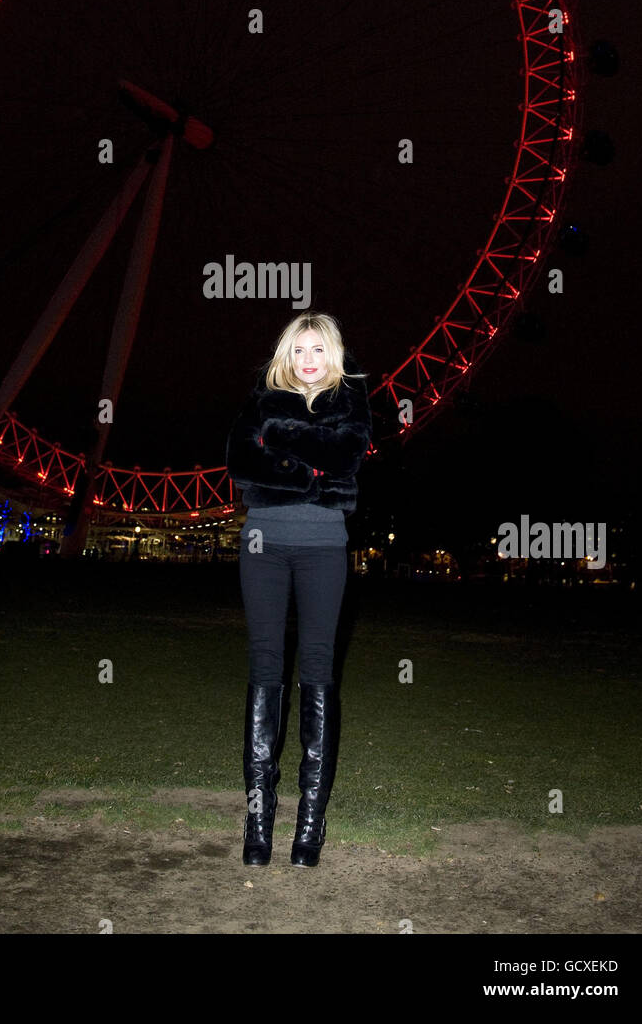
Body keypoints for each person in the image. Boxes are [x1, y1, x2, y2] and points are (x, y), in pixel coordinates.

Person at [225, 312, 372, 868]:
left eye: (318, 348)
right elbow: (241, 461)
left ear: (331, 354)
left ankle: (310, 822)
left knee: (317, 668)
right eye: (299, 348)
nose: (308, 358)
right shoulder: (259, 399)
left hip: (323, 545)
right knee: (265, 667)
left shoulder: (350, 403)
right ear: (286, 354)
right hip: (263, 542)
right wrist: (308, 472)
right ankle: (258, 818)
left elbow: (346, 455)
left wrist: (281, 446)